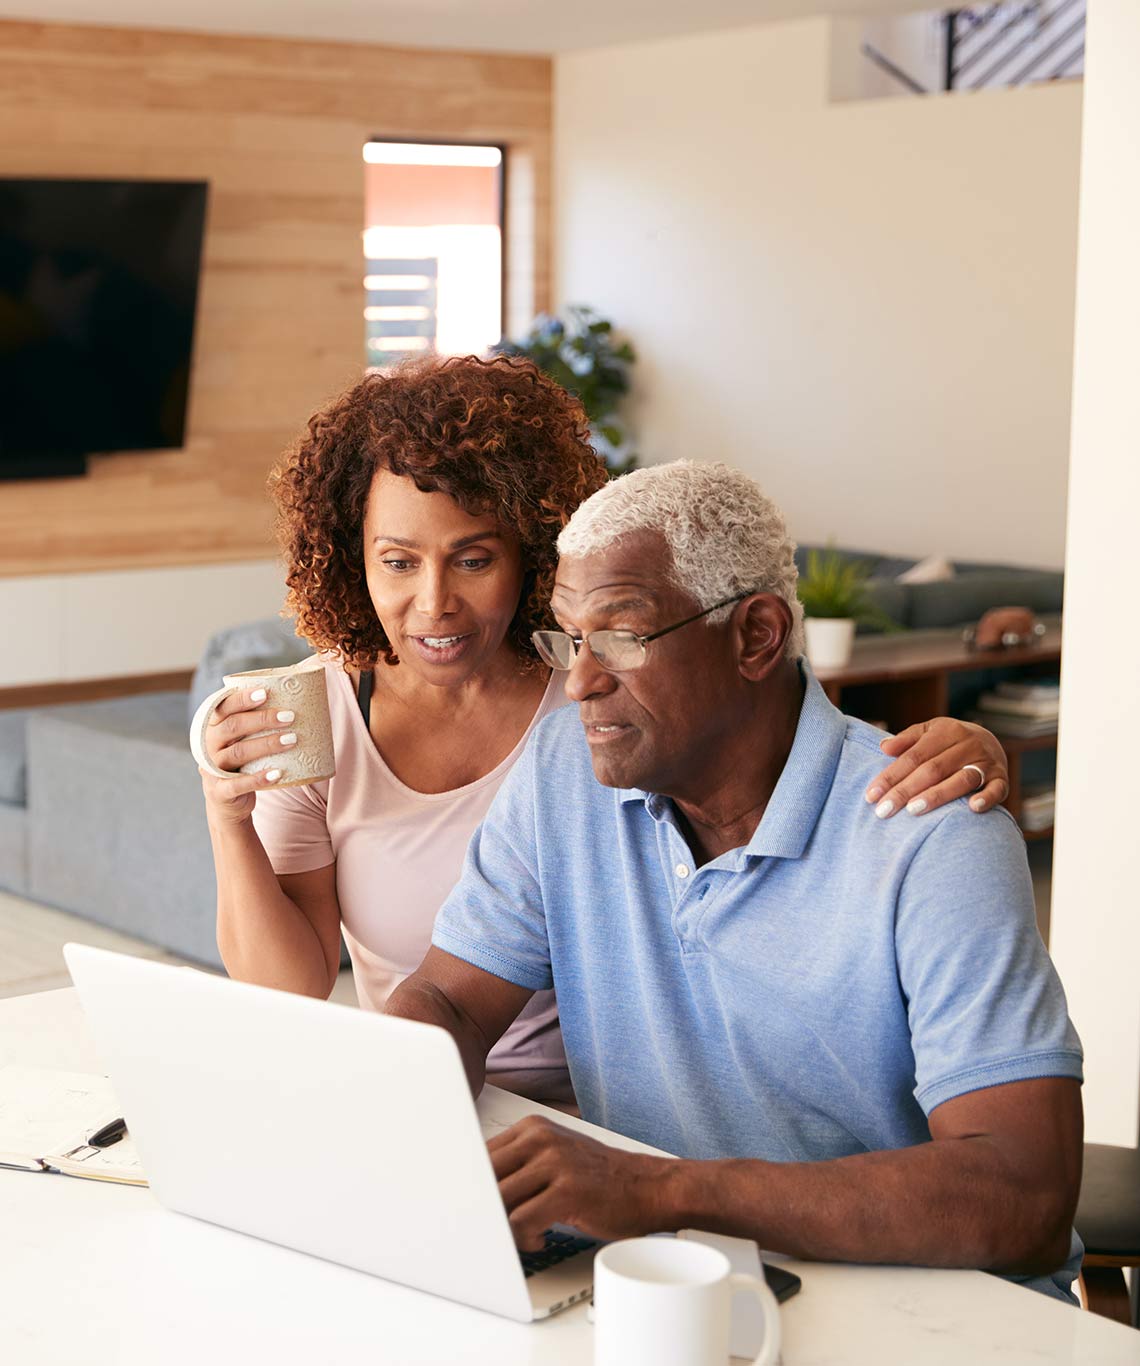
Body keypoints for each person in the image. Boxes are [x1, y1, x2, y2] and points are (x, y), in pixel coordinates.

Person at [199, 355, 1011, 1106]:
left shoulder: (606, 685)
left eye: (474, 559)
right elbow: (294, 985)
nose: (435, 602)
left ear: (535, 556)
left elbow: (789, 744)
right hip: (445, 1081)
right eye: (398, 561)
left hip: (631, 1101)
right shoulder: (324, 712)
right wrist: (226, 816)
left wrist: (965, 748)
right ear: (355, 559)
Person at [384, 460, 1084, 1303]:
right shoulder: (562, 772)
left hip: (916, 1304)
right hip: (671, 1281)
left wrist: (661, 1192)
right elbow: (451, 1002)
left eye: (619, 637)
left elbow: (1023, 1196)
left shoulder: (930, 832)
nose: (580, 681)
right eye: (568, 638)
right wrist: (394, 1123)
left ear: (754, 636)